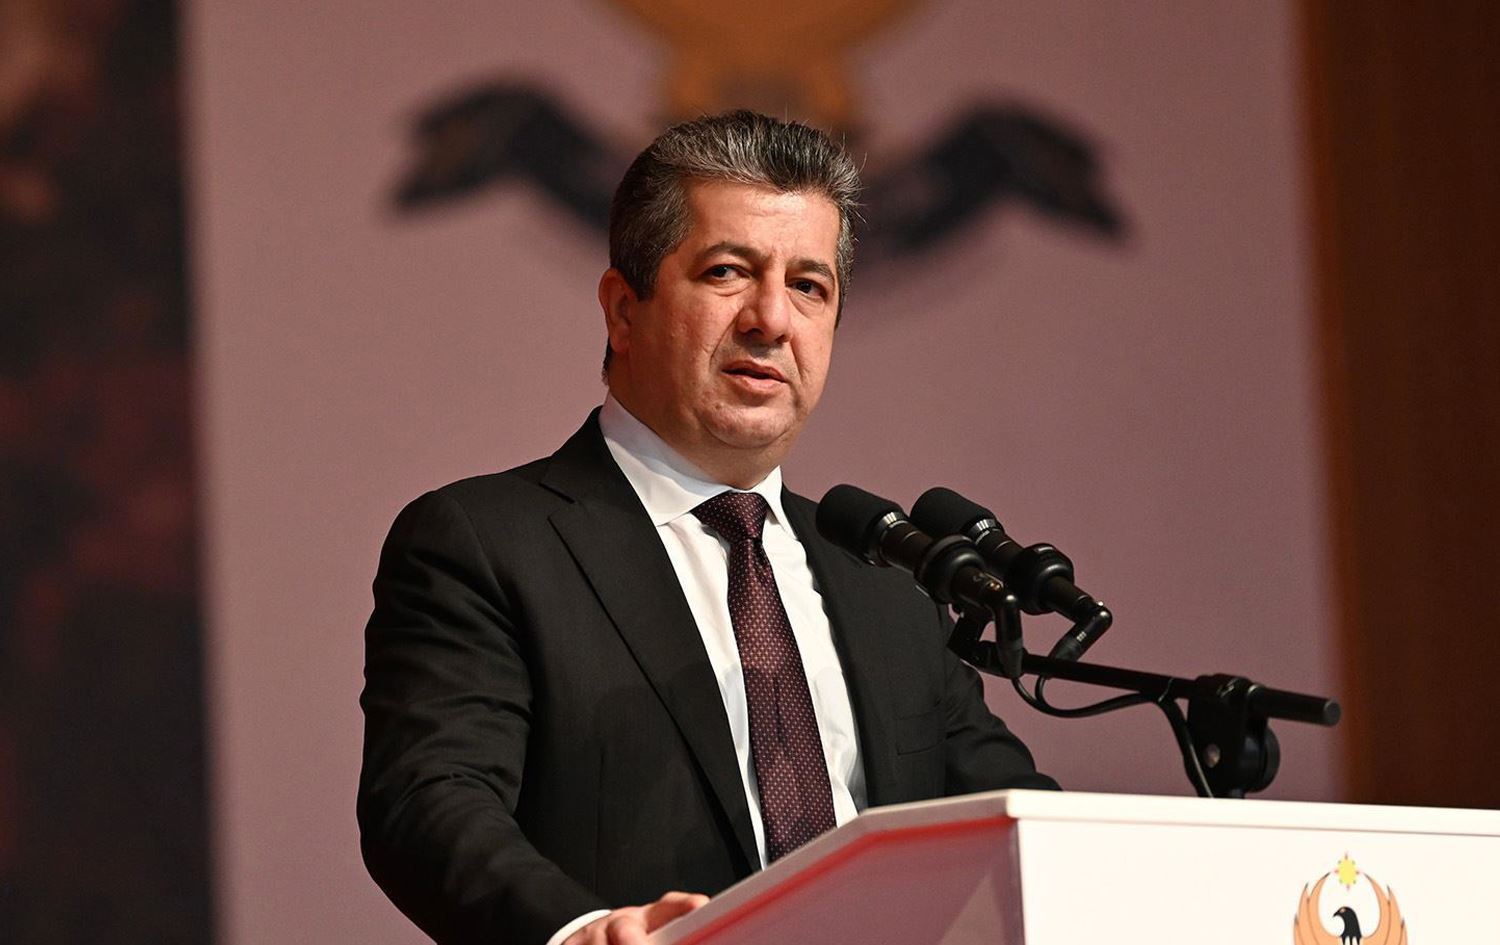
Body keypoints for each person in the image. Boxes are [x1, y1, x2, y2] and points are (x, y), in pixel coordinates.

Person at [358, 110, 1056, 945]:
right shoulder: (487, 545)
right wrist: (583, 931)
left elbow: (1018, 825)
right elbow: (430, 799)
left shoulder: (885, 580)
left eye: (809, 285)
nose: (772, 319)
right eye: (728, 272)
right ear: (624, 310)